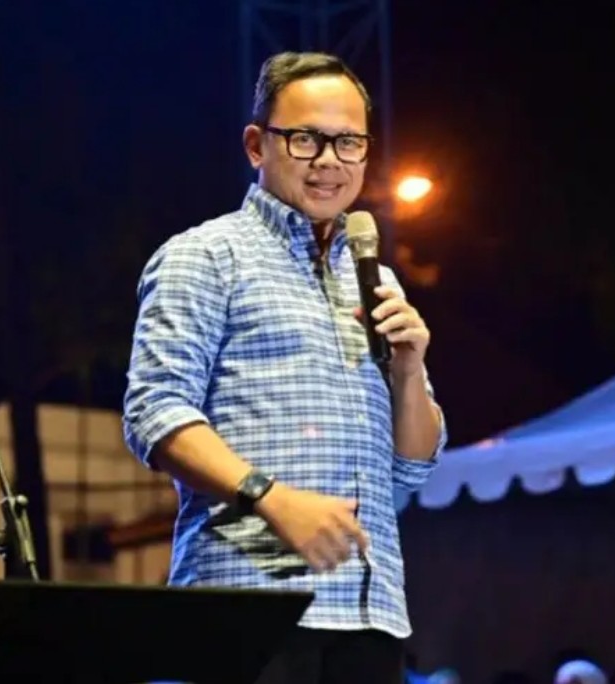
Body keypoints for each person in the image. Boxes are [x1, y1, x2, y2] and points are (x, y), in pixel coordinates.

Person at [122, 51, 447, 684]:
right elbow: (154, 413)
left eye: (348, 142)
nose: (329, 160)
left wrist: (410, 370)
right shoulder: (205, 256)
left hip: (370, 611)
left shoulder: (375, 277)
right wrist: (269, 497)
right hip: (248, 600)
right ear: (256, 145)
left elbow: (412, 466)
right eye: (305, 139)